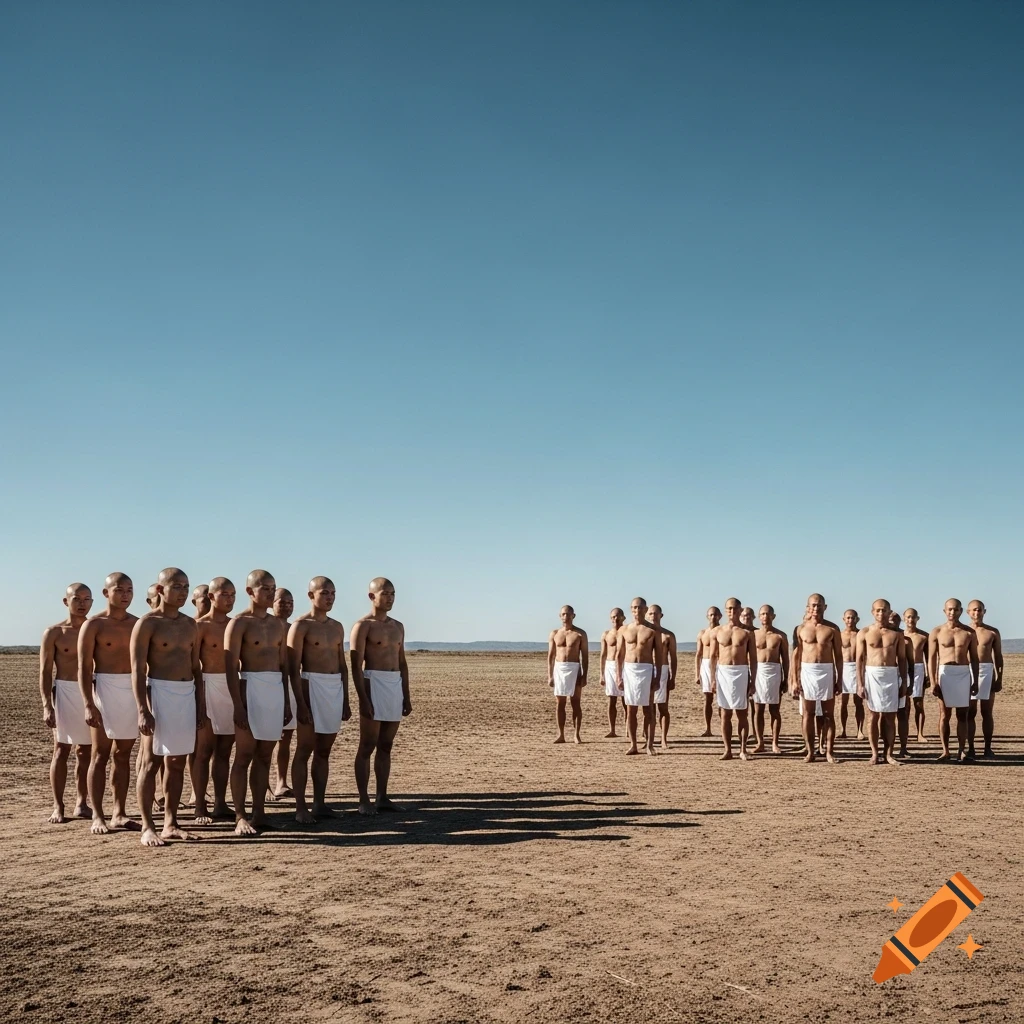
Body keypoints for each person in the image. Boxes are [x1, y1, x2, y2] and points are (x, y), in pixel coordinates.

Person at [131, 568, 206, 846]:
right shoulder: (147, 623)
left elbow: (196, 668)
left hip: (185, 694)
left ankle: (170, 823)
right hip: (158, 692)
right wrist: (142, 708)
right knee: (150, 762)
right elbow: (137, 670)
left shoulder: (190, 624)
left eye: (186, 587)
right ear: (161, 590)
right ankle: (147, 827)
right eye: (177, 587)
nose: (183, 592)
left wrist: (200, 706)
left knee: (176, 762)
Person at [225, 569, 291, 835]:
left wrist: (286, 701)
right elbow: (230, 667)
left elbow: (284, 666)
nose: (270, 592)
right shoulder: (239, 623)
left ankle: (260, 812)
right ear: (250, 591)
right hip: (249, 687)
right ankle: (240, 815)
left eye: (273, 588)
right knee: (244, 755)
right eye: (265, 588)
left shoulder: (278, 624)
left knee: (265, 755)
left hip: (274, 690)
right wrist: (238, 704)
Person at [79, 572, 140, 834]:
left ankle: (119, 812)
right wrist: (88, 703)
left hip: (132, 689)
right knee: (99, 754)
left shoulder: (139, 624)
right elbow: (83, 668)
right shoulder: (93, 625)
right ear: (106, 593)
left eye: (129, 590)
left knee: (123, 755)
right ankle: (98, 816)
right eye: (119, 590)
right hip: (103, 688)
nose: (125, 595)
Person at [288, 576, 350, 822]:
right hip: (310, 686)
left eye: (333, 593)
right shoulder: (300, 625)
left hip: (333, 687)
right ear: (311, 595)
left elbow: (343, 666)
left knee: (324, 750)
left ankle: (320, 803)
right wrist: (301, 703)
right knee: (304, 748)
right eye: (325, 593)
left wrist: (345, 699)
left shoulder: (337, 626)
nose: (330, 598)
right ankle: (300, 807)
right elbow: (293, 669)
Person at [351, 578, 412, 813]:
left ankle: (382, 797)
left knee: (386, 745)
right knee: (367, 744)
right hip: (373, 683)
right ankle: (363, 800)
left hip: (393, 684)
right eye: (385, 593)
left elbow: (403, 663)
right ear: (372, 596)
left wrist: (406, 695)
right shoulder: (363, 626)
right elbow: (356, 665)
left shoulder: (398, 626)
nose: (390, 598)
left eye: (393, 594)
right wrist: (363, 699)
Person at [40, 583, 94, 823]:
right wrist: (46, 705)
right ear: (66, 601)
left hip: (91, 693)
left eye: (87, 599)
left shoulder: (96, 628)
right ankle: (58, 805)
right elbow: (44, 671)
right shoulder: (54, 632)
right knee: (61, 749)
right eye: (77, 598)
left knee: (86, 751)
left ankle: (82, 803)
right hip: (63, 691)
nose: (82, 603)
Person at [192, 577, 237, 822]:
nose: (229, 600)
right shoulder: (199, 626)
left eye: (233, 595)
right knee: (203, 749)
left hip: (230, 687)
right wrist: (199, 700)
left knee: (224, 750)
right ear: (211, 597)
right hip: (207, 686)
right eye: (224, 595)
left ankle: (221, 802)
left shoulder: (235, 625)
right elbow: (193, 666)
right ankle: (200, 805)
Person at [791, 593, 843, 763]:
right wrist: (794, 680)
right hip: (807, 671)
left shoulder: (832, 629)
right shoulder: (800, 629)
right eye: (813, 605)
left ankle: (829, 751)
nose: (816, 608)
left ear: (825, 607)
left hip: (826, 670)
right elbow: (796, 656)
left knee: (828, 714)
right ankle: (810, 752)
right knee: (808, 713)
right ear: (808, 607)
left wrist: (839, 679)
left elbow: (838, 656)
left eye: (819, 605)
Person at [856, 600, 907, 765]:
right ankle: (874, 753)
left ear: (889, 612)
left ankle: (889, 754)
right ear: (872, 612)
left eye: (884, 611)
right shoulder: (864, 632)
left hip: (891, 674)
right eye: (877, 611)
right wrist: (860, 683)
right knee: (873, 715)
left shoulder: (897, 634)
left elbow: (903, 659)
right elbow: (859, 659)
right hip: (872, 674)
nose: (881, 614)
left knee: (890, 716)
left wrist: (904, 682)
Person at [928, 599, 980, 762]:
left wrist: (975, 680)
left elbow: (975, 658)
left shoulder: (969, 632)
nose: (953, 612)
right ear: (944, 611)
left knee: (962, 714)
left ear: (960, 611)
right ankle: (945, 750)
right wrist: (933, 681)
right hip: (945, 672)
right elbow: (931, 658)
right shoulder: (936, 631)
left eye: (956, 610)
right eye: (950, 609)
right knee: (944, 714)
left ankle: (961, 750)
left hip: (963, 672)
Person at [709, 598, 757, 760]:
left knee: (742, 713)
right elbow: (713, 657)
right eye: (729, 609)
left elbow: (754, 660)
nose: (732, 612)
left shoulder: (747, 633)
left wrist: (753, 681)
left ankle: (743, 749)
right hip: (723, 672)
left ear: (740, 610)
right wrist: (712, 679)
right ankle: (728, 749)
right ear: (725, 611)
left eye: (735, 609)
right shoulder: (718, 632)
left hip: (741, 672)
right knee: (725, 714)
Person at [616, 597, 663, 755]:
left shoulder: (653, 630)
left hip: (646, 669)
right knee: (631, 709)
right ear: (631, 609)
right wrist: (618, 676)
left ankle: (650, 744)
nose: (637, 611)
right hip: (629, 670)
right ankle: (633, 744)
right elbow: (619, 655)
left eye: (640, 608)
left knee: (648, 708)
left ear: (645, 609)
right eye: (634, 608)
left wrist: (657, 678)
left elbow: (659, 656)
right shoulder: (624, 630)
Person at [966, 600, 1002, 758]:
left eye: (979, 610)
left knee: (986, 711)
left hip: (987, 670)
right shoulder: (964, 632)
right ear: (968, 612)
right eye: (973, 610)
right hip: (968, 671)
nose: (976, 613)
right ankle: (971, 748)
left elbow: (998, 656)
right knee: (970, 712)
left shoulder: (992, 632)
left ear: (984, 611)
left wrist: (999, 677)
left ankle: (988, 748)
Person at [546, 605, 588, 744]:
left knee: (575, 702)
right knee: (560, 703)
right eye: (563, 614)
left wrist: (584, 675)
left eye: (568, 614)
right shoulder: (555, 633)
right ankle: (561, 734)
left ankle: (577, 734)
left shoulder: (580, 634)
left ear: (573, 616)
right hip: (559, 668)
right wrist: (550, 675)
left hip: (574, 667)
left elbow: (585, 657)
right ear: (560, 616)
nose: (566, 617)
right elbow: (550, 656)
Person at [270, 587, 297, 798]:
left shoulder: (295, 628)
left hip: (290, 684)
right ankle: (264, 786)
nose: (287, 606)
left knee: (286, 736)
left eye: (290, 602)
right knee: (264, 737)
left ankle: (281, 782)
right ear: (272, 602)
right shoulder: (264, 627)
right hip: (267, 684)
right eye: (282, 602)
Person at [752, 604, 788, 754]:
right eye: (762, 614)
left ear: (773, 616)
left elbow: (785, 659)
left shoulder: (780, 635)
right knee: (758, 709)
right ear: (759, 617)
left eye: (768, 614)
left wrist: (786, 678)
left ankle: (775, 742)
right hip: (758, 671)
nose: (765, 617)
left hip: (774, 671)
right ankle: (760, 742)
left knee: (774, 710)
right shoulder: (752, 635)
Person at [647, 604, 677, 749]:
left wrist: (673, 677)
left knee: (662, 707)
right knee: (648, 707)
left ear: (661, 615)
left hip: (663, 670)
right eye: (651, 613)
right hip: (647, 669)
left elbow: (674, 658)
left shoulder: (668, 635)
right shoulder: (644, 633)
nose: (653, 616)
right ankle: (648, 740)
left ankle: (664, 738)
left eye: (656, 613)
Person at [903, 608, 929, 742]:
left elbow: (929, 657)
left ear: (917, 618)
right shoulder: (899, 635)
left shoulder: (924, 636)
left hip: (918, 668)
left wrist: (929, 674)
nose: (910, 620)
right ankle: (905, 733)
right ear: (904, 618)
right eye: (908, 617)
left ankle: (920, 733)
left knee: (918, 703)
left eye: (913, 617)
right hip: (904, 668)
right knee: (904, 704)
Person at [889, 611, 913, 758]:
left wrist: (909, 684)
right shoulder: (880, 636)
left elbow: (910, 663)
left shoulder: (906, 641)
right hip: (885, 678)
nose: (894, 621)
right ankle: (887, 747)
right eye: (892, 619)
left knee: (903, 714)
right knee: (884, 715)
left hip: (901, 677)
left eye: (897, 619)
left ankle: (903, 747)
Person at [599, 608, 626, 737]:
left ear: (623, 618)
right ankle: (612, 730)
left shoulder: (626, 631)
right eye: (613, 617)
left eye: (618, 616)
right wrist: (601, 674)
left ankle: (628, 728)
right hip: (610, 666)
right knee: (612, 699)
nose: (615, 619)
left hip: (624, 665)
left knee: (627, 700)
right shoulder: (606, 634)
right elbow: (603, 654)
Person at [695, 607, 721, 736]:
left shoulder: (722, 631)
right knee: (707, 698)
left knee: (722, 698)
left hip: (719, 664)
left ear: (720, 616)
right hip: (705, 664)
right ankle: (708, 728)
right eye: (711, 615)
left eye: (715, 615)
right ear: (707, 616)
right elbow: (698, 654)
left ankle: (723, 727)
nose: (713, 617)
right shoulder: (702, 633)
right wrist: (697, 673)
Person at [839, 609, 864, 739]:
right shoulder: (839, 635)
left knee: (858, 701)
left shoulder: (860, 634)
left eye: (853, 618)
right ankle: (843, 730)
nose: (850, 620)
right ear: (844, 619)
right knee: (843, 702)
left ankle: (860, 730)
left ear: (857, 619)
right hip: (843, 668)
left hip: (856, 668)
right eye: (848, 618)